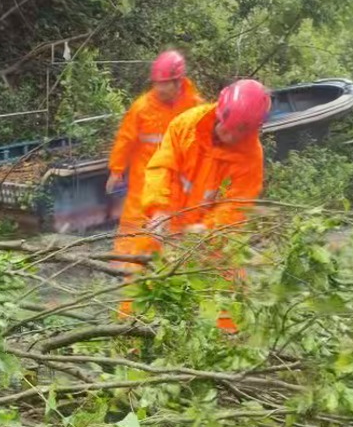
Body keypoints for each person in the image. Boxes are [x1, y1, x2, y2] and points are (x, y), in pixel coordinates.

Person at [137, 78, 272, 332]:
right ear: (219, 113)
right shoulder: (186, 125)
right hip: (166, 226)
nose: (229, 136)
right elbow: (160, 167)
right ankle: (134, 340)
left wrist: (208, 229)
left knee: (227, 301)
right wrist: (158, 209)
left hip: (210, 239)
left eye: (238, 133)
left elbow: (238, 205)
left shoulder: (250, 156)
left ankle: (227, 347)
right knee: (144, 292)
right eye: (226, 128)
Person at [105, 50, 202, 313]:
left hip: (178, 189)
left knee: (174, 240)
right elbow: (126, 138)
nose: (158, 89)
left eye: (164, 84)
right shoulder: (142, 107)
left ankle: (168, 288)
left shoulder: (194, 107)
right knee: (133, 235)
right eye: (156, 84)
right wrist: (116, 169)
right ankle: (123, 286)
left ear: (178, 82)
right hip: (143, 184)